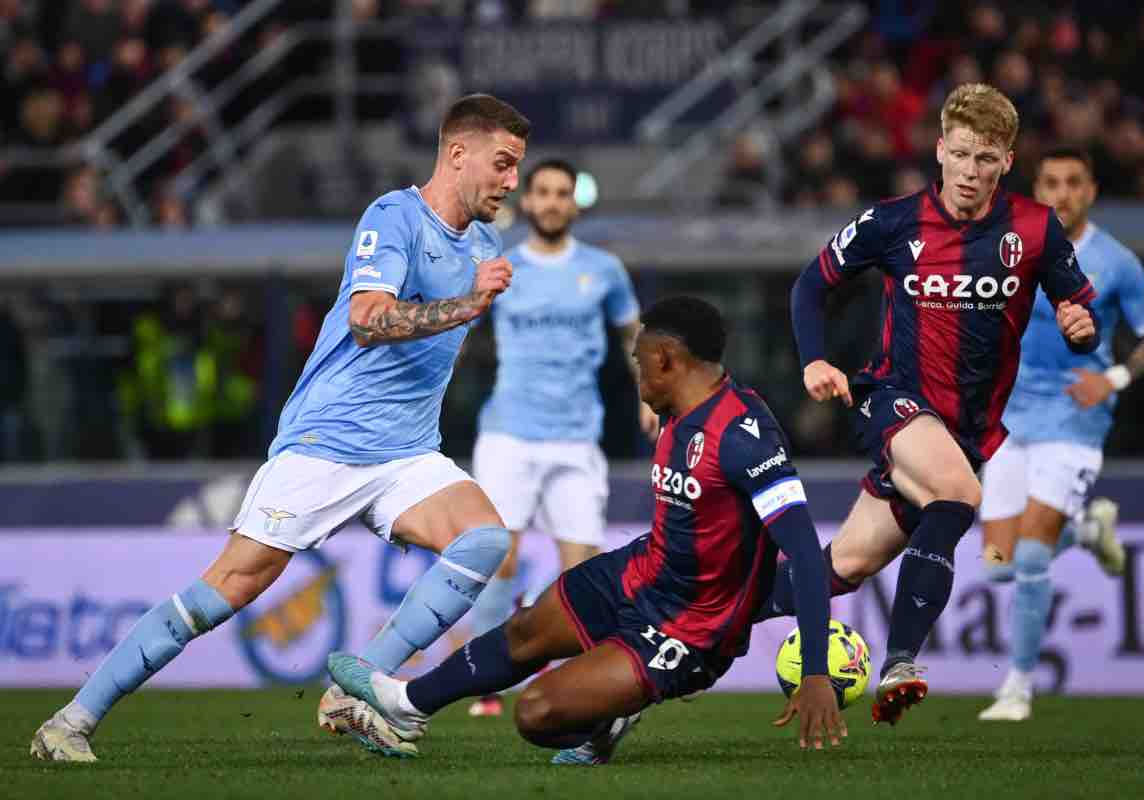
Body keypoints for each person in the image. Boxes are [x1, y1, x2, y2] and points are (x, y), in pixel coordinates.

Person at [30, 94, 531, 762]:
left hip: (407, 452)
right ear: (457, 152)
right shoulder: (394, 217)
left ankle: (356, 688)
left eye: (516, 167)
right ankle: (70, 721)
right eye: (502, 163)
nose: (512, 182)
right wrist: (466, 304)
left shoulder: (487, 243)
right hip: (329, 442)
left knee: (483, 540)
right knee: (227, 590)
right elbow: (367, 319)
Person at [326, 296, 845, 762]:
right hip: (640, 571)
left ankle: (613, 712)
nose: (636, 376)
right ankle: (405, 703)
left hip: (686, 629)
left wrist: (816, 670)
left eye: (641, 362)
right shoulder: (676, 409)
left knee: (537, 715)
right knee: (526, 630)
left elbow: (801, 550)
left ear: (666, 359)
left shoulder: (743, 436)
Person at [783, 83, 1098, 725]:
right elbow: (811, 285)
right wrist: (815, 358)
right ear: (939, 150)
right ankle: (899, 662)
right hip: (893, 400)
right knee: (958, 497)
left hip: (967, 432)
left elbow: (1075, 301)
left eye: (985, 159)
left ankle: (697, 622)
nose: (969, 172)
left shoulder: (1035, 229)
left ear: (1007, 162)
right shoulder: (893, 221)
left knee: (836, 570)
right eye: (959, 154)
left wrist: (1076, 320)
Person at [977, 147, 1144, 721]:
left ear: (1091, 191)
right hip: (1012, 418)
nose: (1062, 193)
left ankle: (1016, 688)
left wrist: (1112, 377)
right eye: (1051, 183)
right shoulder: (1011, 248)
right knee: (995, 563)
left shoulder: (1116, 262)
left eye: (1074, 183)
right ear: (1035, 189)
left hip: (1074, 417)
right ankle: (1088, 530)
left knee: (1034, 553)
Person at [466, 158, 658, 717]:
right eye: (542, 193)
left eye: (562, 193)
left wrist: (648, 391)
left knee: (582, 570)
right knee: (496, 558)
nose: (551, 202)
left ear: (575, 203)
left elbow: (633, 335)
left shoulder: (604, 270)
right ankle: (486, 688)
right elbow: (456, 334)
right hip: (509, 436)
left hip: (577, 440)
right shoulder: (499, 268)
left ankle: (574, 683)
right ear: (526, 202)